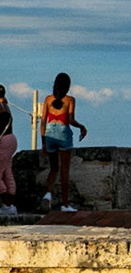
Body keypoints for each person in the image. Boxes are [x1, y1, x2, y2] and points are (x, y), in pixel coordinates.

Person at [41, 73, 87, 212]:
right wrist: (82, 127)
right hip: (63, 133)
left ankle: (48, 194)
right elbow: (70, 120)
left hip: (49, 133)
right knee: (64, 170)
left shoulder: (48, 99)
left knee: (53, 168)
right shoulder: (70, 100)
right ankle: (65, 204)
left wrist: (43, 142)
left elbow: (43, 121)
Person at [0, 85, 16, 216]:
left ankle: (7, 204)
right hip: (11, 139)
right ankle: (10, 205)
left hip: (3, 141)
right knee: (7, 172)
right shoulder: (6, 106)